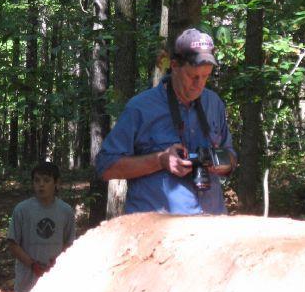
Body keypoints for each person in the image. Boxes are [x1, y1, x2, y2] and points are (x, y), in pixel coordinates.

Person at [96, 28, 237, 215]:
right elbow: (106, 168)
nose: (199, 84)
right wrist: (160, 160)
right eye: (193, 76)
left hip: (210, 226)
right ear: (175, 65)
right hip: (157, 233)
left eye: (206, 76)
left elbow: (232, 159)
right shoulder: (141, 108)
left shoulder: (214, 104)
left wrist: (218, 161)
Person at [7, 161, 76, 292]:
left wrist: (57, 263)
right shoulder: (22, 210)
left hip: (55, 277)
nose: (41, 184)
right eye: (37, 180)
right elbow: (12, 243)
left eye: (46, 180)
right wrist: (33, 265)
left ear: (56, 183)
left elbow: (69, 243)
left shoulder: (65, 211)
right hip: (27, 279)